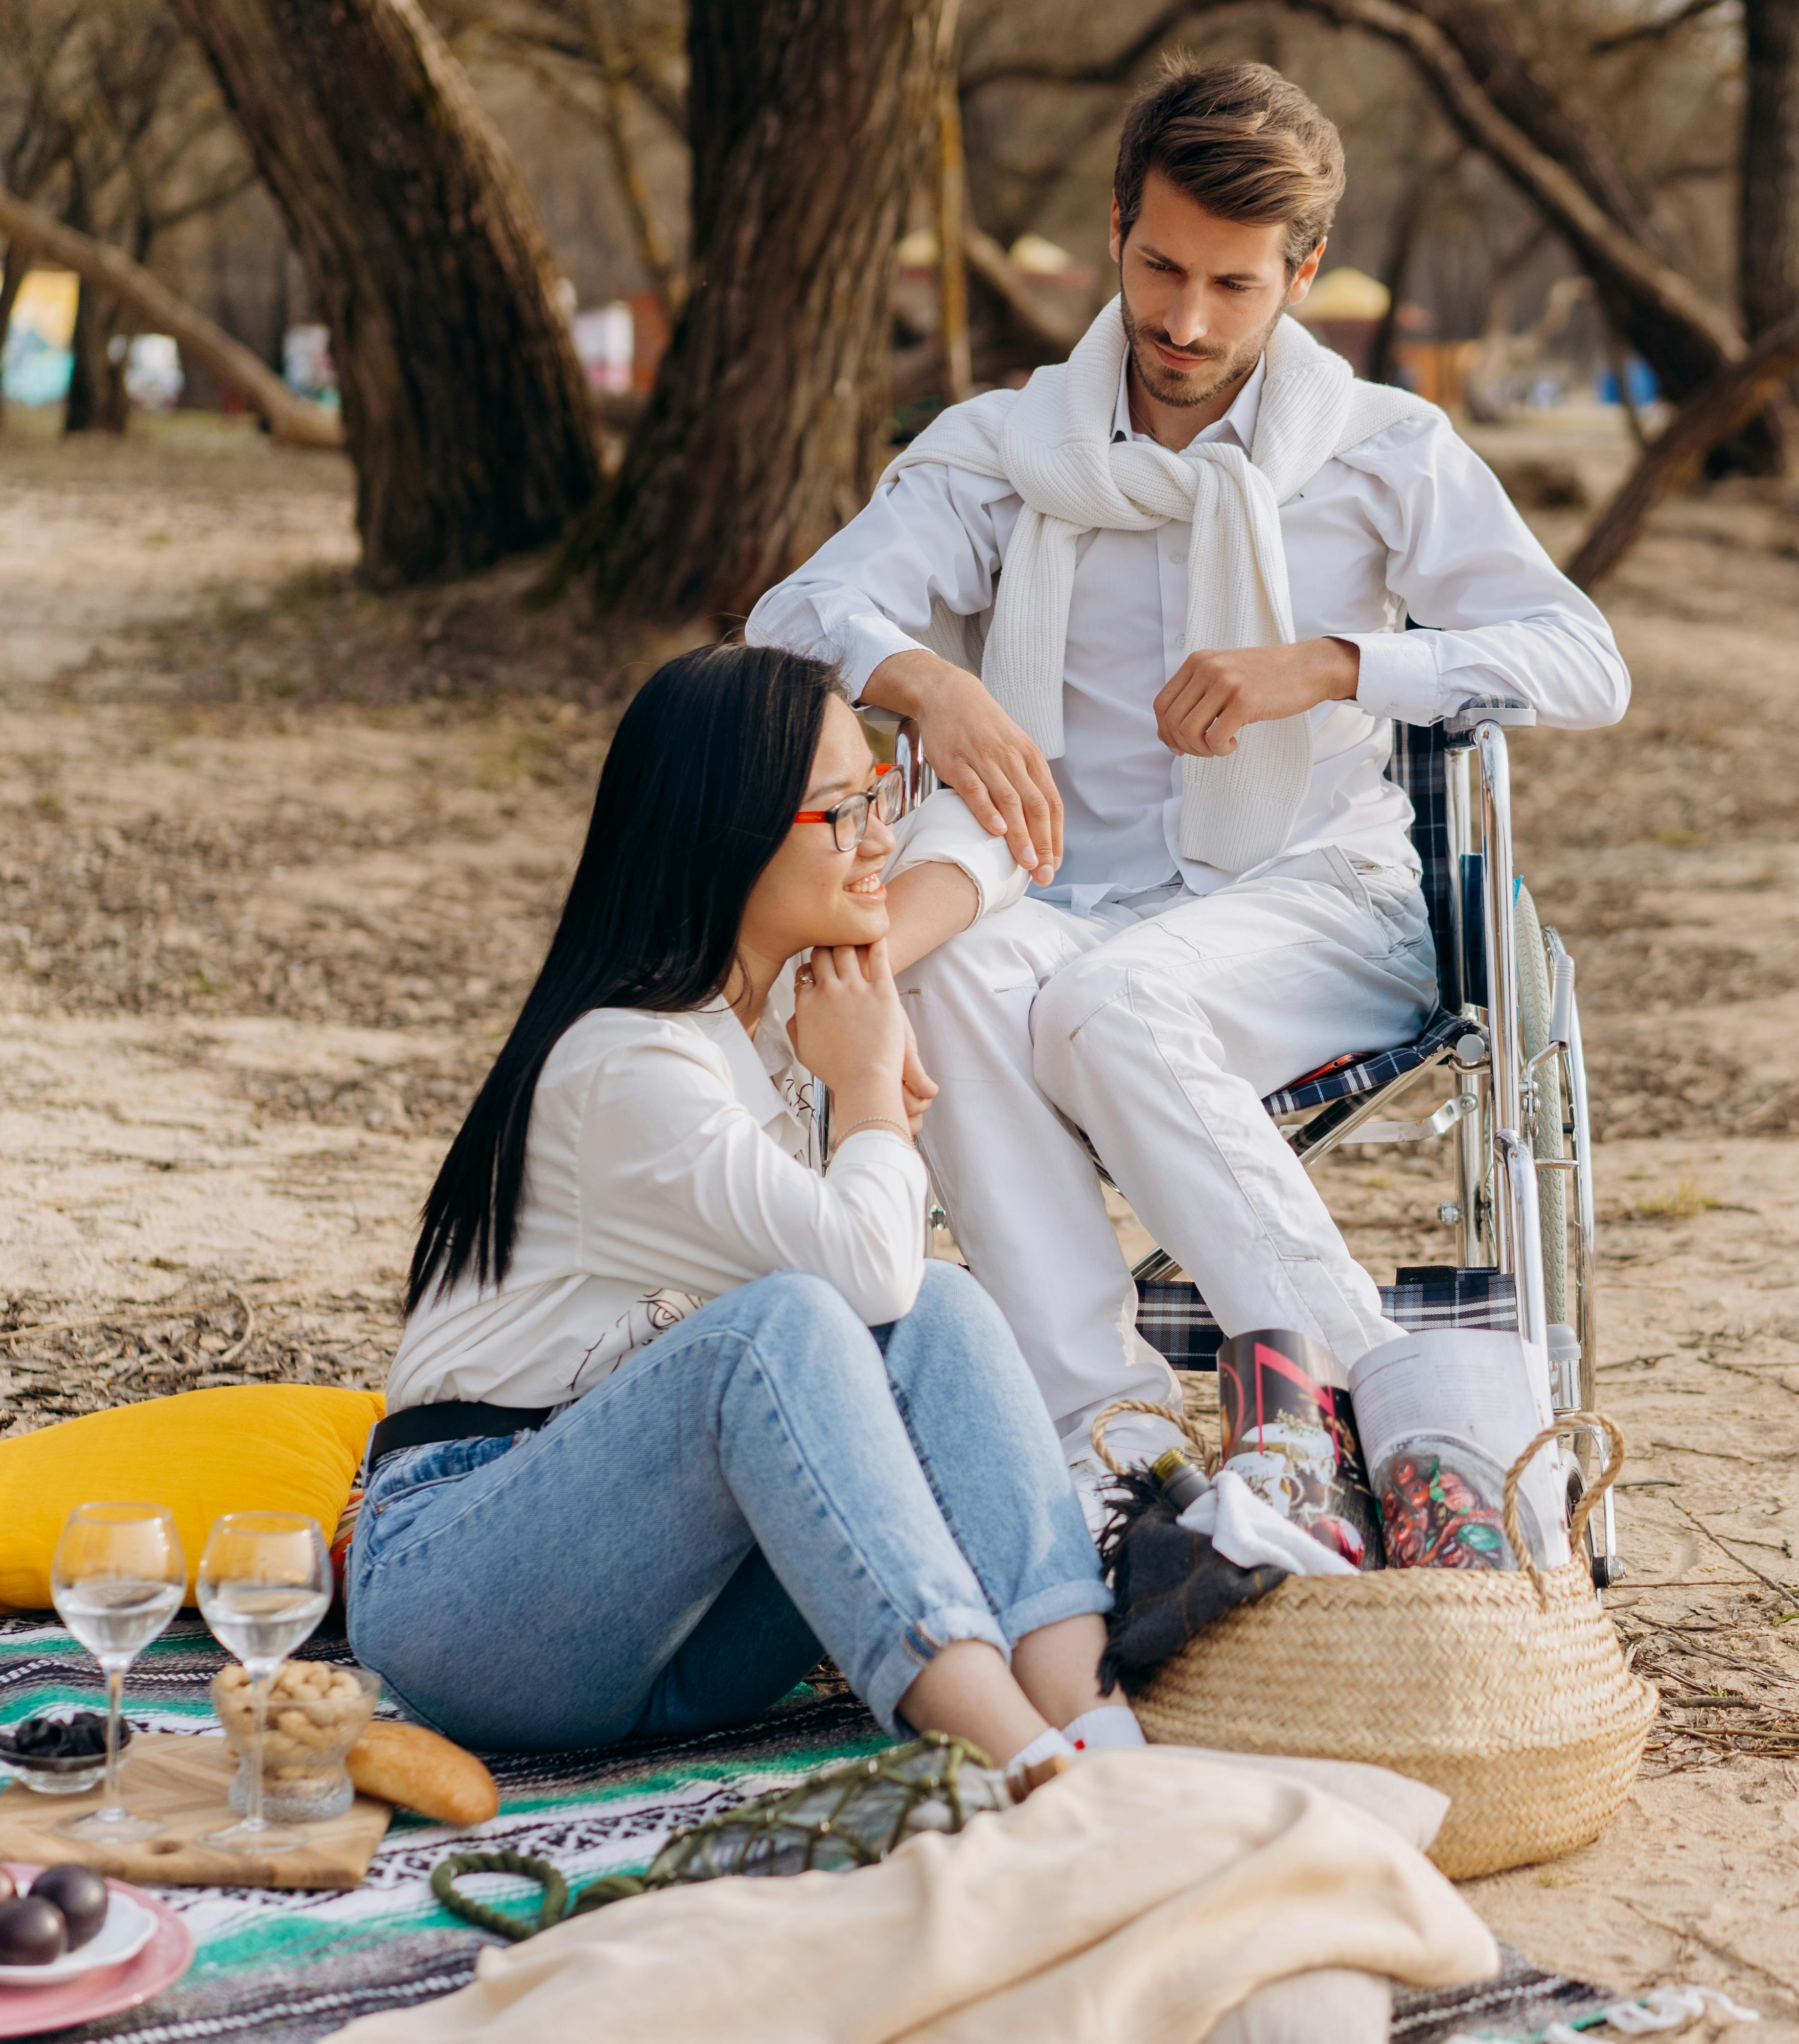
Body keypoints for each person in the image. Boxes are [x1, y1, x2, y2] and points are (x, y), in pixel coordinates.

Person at [747, 60, 1630, 1507]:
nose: (1185, 321)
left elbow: (1586, 662)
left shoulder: (1382, 451)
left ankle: (1387, 1418)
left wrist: (1342, 665)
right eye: (1160, 267)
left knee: (1112, 1002)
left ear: (1306, 271)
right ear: (1115, 229)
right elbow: (796, 616)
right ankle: (1123, 1449)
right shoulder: (1003, 453)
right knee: (948, 977)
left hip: (1311, 903)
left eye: (1234, 284)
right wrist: (931, 682)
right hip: (1060, 893)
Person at [348, 643, 1128, 1791]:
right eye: (845, 810)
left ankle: (1099, 1733)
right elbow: (864, 1275)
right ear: (725, 825)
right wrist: (868, 1082)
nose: (879, 836)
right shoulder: (628, 1061)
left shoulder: (779, 1015)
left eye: (881, 795)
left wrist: (879, 955)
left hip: (676, 1627)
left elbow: (998, 841)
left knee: (945, 1308)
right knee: (790, 1325)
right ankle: (1027, 1770)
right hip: (471, 1595)